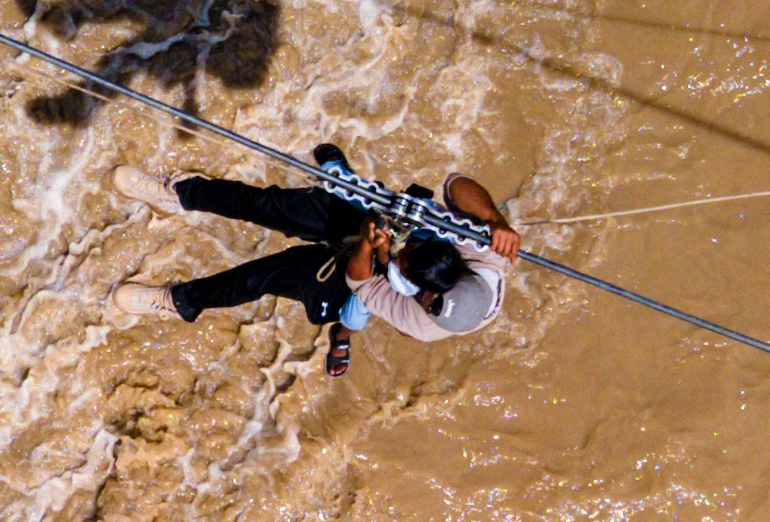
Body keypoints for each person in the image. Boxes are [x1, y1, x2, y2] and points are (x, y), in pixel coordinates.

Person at [104, 142, 521, 360]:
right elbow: (454, 183)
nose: (425, 298)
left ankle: (178, 302)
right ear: (458, 270)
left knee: (262, 277)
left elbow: (361, 281)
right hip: (390, 226)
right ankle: (178, 193)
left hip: (361, 269)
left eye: (423, 294)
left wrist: (368, 248)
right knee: (267, 205)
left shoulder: (426, 323)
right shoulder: (488, 253)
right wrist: (493, 221)